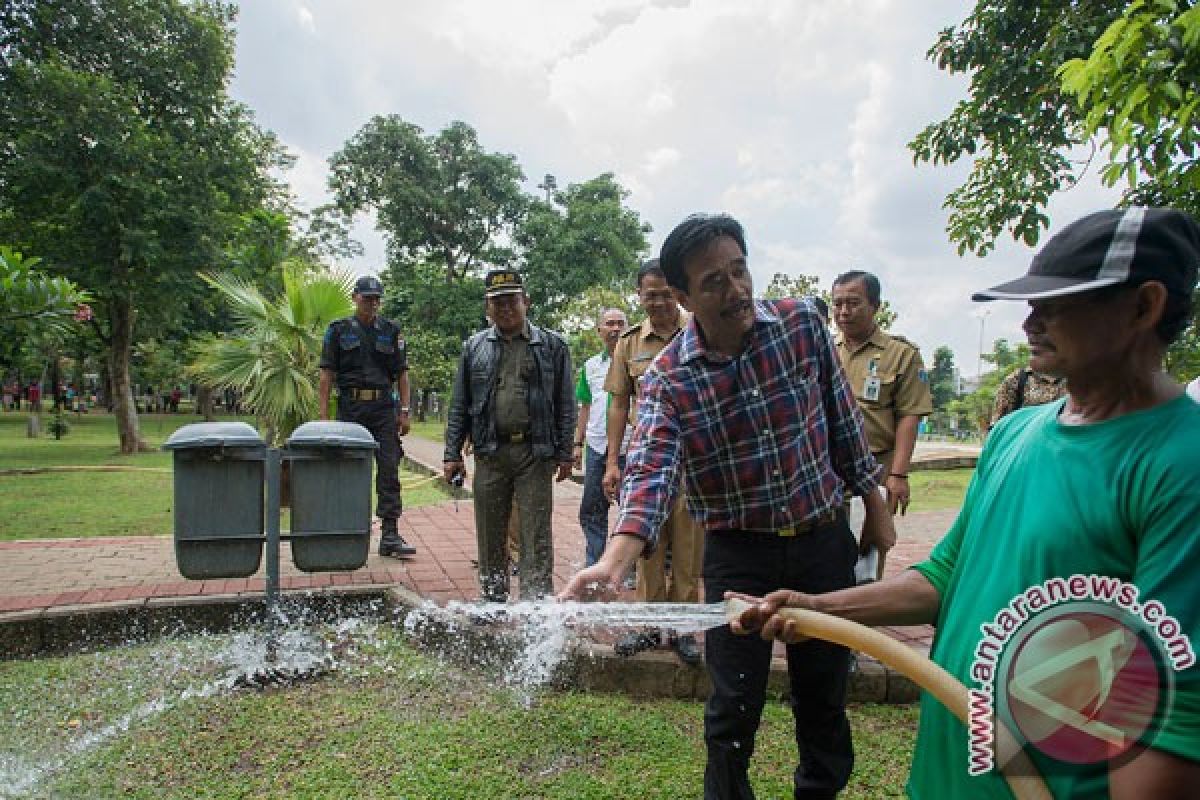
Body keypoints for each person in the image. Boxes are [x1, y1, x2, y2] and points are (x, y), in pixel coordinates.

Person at [735, 207, 1200, 799]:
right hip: (945, 780)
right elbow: (947, 577)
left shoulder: (1181, 467)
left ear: (1144, 306)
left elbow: (1171, 731)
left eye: (1056, 302)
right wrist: (819, 608)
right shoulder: (1016, 434)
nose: (1031, 321)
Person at [561, 214, 895, 799]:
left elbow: (843, 421)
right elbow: (651, 473)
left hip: (823, 543)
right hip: (740, 556)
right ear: (685, 296)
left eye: (739, 270)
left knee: (823, 699)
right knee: (733, 709)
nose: (736, 290)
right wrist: (613, 563)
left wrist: (876, 507)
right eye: (714, 281)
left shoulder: (800, 325)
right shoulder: (669, 378)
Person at [443, 269, 575, 602]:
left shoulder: (553, 346)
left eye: (512, 300)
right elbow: (459, 403)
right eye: (497, 302)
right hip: (489, 452)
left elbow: (566, 403)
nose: (505, 308)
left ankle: (536, 608)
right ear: (487, 308)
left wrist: (565, 451)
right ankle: (492, 602)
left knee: (535, 535)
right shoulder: (473, 347)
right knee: (490, 534)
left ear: (526, 302)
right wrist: (451, 453)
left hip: (535, 453)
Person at [603, 258, 705, 664]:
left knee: (687, 550)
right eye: (651, 295)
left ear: (678, 292)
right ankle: (648, 627)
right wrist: (613, 461)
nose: (659, 302)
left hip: (694, 463)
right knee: (645, 548)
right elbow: (618, 403)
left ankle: (682, 629)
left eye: (666, 293)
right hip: (646, 464)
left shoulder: (699, 331)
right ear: (639, 296)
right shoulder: (629, 343)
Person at [832, 270, 932, 578]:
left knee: (868, 560)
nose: (844, 312)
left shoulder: (900, 355)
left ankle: (860, 617)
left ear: (875, 306)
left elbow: (909, 415)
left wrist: (899, 475)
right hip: (829, 472)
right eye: (837, 304)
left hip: (876, 470)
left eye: (853, 303)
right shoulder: (825, 350)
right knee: (828, 555)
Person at [318, 274, 415, 558]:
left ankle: (390, 534)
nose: (372, 303)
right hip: (350, 409)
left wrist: (405, 412)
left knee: (388, 469)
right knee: (347, 470)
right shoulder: (337, 331)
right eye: (366, 298)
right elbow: (326, 376)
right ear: (355, 298)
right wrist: (323, 419)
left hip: (383, 409)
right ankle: (344, 531)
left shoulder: (391, 330)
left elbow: (402, 375)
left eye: (376, 299)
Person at [573, 307, 630, 567]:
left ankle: (626, 565)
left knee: (630, 509)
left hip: (630, 446)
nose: (615, 329)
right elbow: (585, 406)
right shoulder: (590, 366)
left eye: (620, 323)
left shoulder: (636, 362)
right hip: (596, 446)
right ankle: (594, 562)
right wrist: (577, 443)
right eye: (609, 324)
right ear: (600, 331)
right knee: (592, 508)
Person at [989, 365, 1066, 428]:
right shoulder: (1018, 379)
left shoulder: (1075, 380)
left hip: (1064, 443)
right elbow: (998, 426)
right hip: (1024, 443)